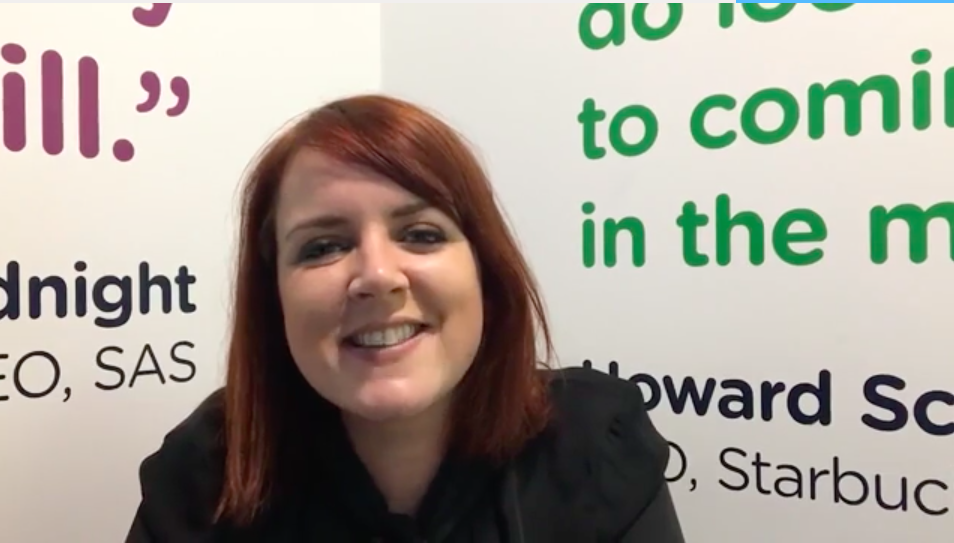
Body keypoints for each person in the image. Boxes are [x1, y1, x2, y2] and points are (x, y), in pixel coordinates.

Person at [124, 94, 686, 542]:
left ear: (485, 270)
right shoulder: (202, 479)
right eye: (323, 247)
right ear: (274, 296)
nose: (377, 275)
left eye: (421, 234)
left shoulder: (594, 449)